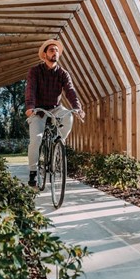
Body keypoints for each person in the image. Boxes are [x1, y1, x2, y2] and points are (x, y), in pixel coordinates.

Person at [25, 39, 85, 186]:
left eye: (56, 50)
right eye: (51, 50)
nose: (55, 52)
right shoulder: (35, 71)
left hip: (55, 107)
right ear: (44, 54)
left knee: (68, 115)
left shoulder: (63, 73)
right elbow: (30, 89)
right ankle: (33, 172)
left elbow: (70, 90)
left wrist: (77, 107)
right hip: (38, 109)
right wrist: (30, 106)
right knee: (36, 139)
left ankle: (58, 142)